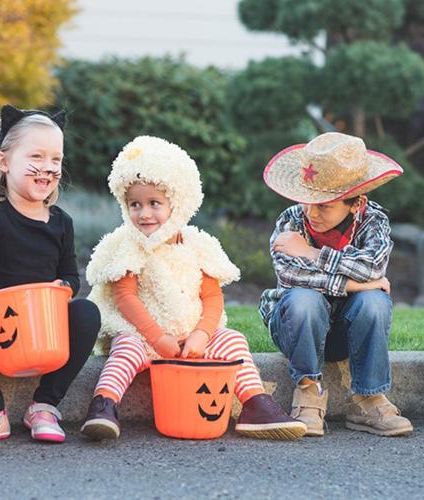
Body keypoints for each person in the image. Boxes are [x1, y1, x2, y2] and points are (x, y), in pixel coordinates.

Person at [79, 135, 307, 441]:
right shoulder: (129, 246)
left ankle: (255, 403)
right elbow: (125, 297)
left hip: (191, 340)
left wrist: (201, 334)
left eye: (154, 204)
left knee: (233, 341)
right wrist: (157, 337)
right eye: (135, 204)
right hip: (145, 336)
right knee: (125, 349)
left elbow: (212, 297)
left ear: (178, 203)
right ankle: (104, 404)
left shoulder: (197, 245)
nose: (144, 213)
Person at [0, 105, 100, 445]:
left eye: (56, 160)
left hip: (44, 328)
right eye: (37, 156)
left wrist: (64, 287)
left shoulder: (62, 222)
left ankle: (45, 405)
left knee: (87, 312)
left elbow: (70, 276)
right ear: (4, 161)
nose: (48, 167)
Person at [260, 132, 413, 437]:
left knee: (375, 303)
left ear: (355, 203)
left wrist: (311, 252)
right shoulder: (291, 221)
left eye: (324, 206)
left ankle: (368, 399)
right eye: (307, 200)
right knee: (305, 298)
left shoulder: (373, 221)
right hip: (296, 326)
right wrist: (356, 284)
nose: (311, 213)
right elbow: (292, 276)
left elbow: (373, 266)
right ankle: (308, 391)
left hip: (345, 331)